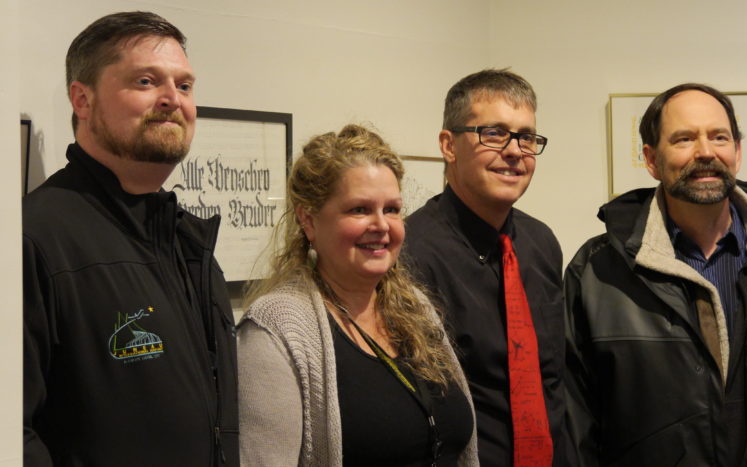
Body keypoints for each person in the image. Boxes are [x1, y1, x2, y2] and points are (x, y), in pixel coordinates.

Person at [564, 83, 747, 466]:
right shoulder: (597, 271)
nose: (705, 152)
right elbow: (576, 424)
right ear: (652, 159)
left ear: (737, 153)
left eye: (719, 137)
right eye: (684, 138)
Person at [22, 12, 238, 466]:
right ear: (82, 99)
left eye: (184, 86)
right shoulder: (34, 239)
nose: (171, 100)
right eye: (145, 81)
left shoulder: (188, 243)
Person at [238, 124, 478, 466]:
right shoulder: (275, 329)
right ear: (308, 220)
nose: (381, 225)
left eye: (392, 209)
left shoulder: (415, 308)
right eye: (359, 210)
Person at [405, 69, 566, 466]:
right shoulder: (409, 254)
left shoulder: (541, 243)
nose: (514, 151)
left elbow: (554, 381)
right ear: (449, 145)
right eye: (493, 133)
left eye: (525, 137)